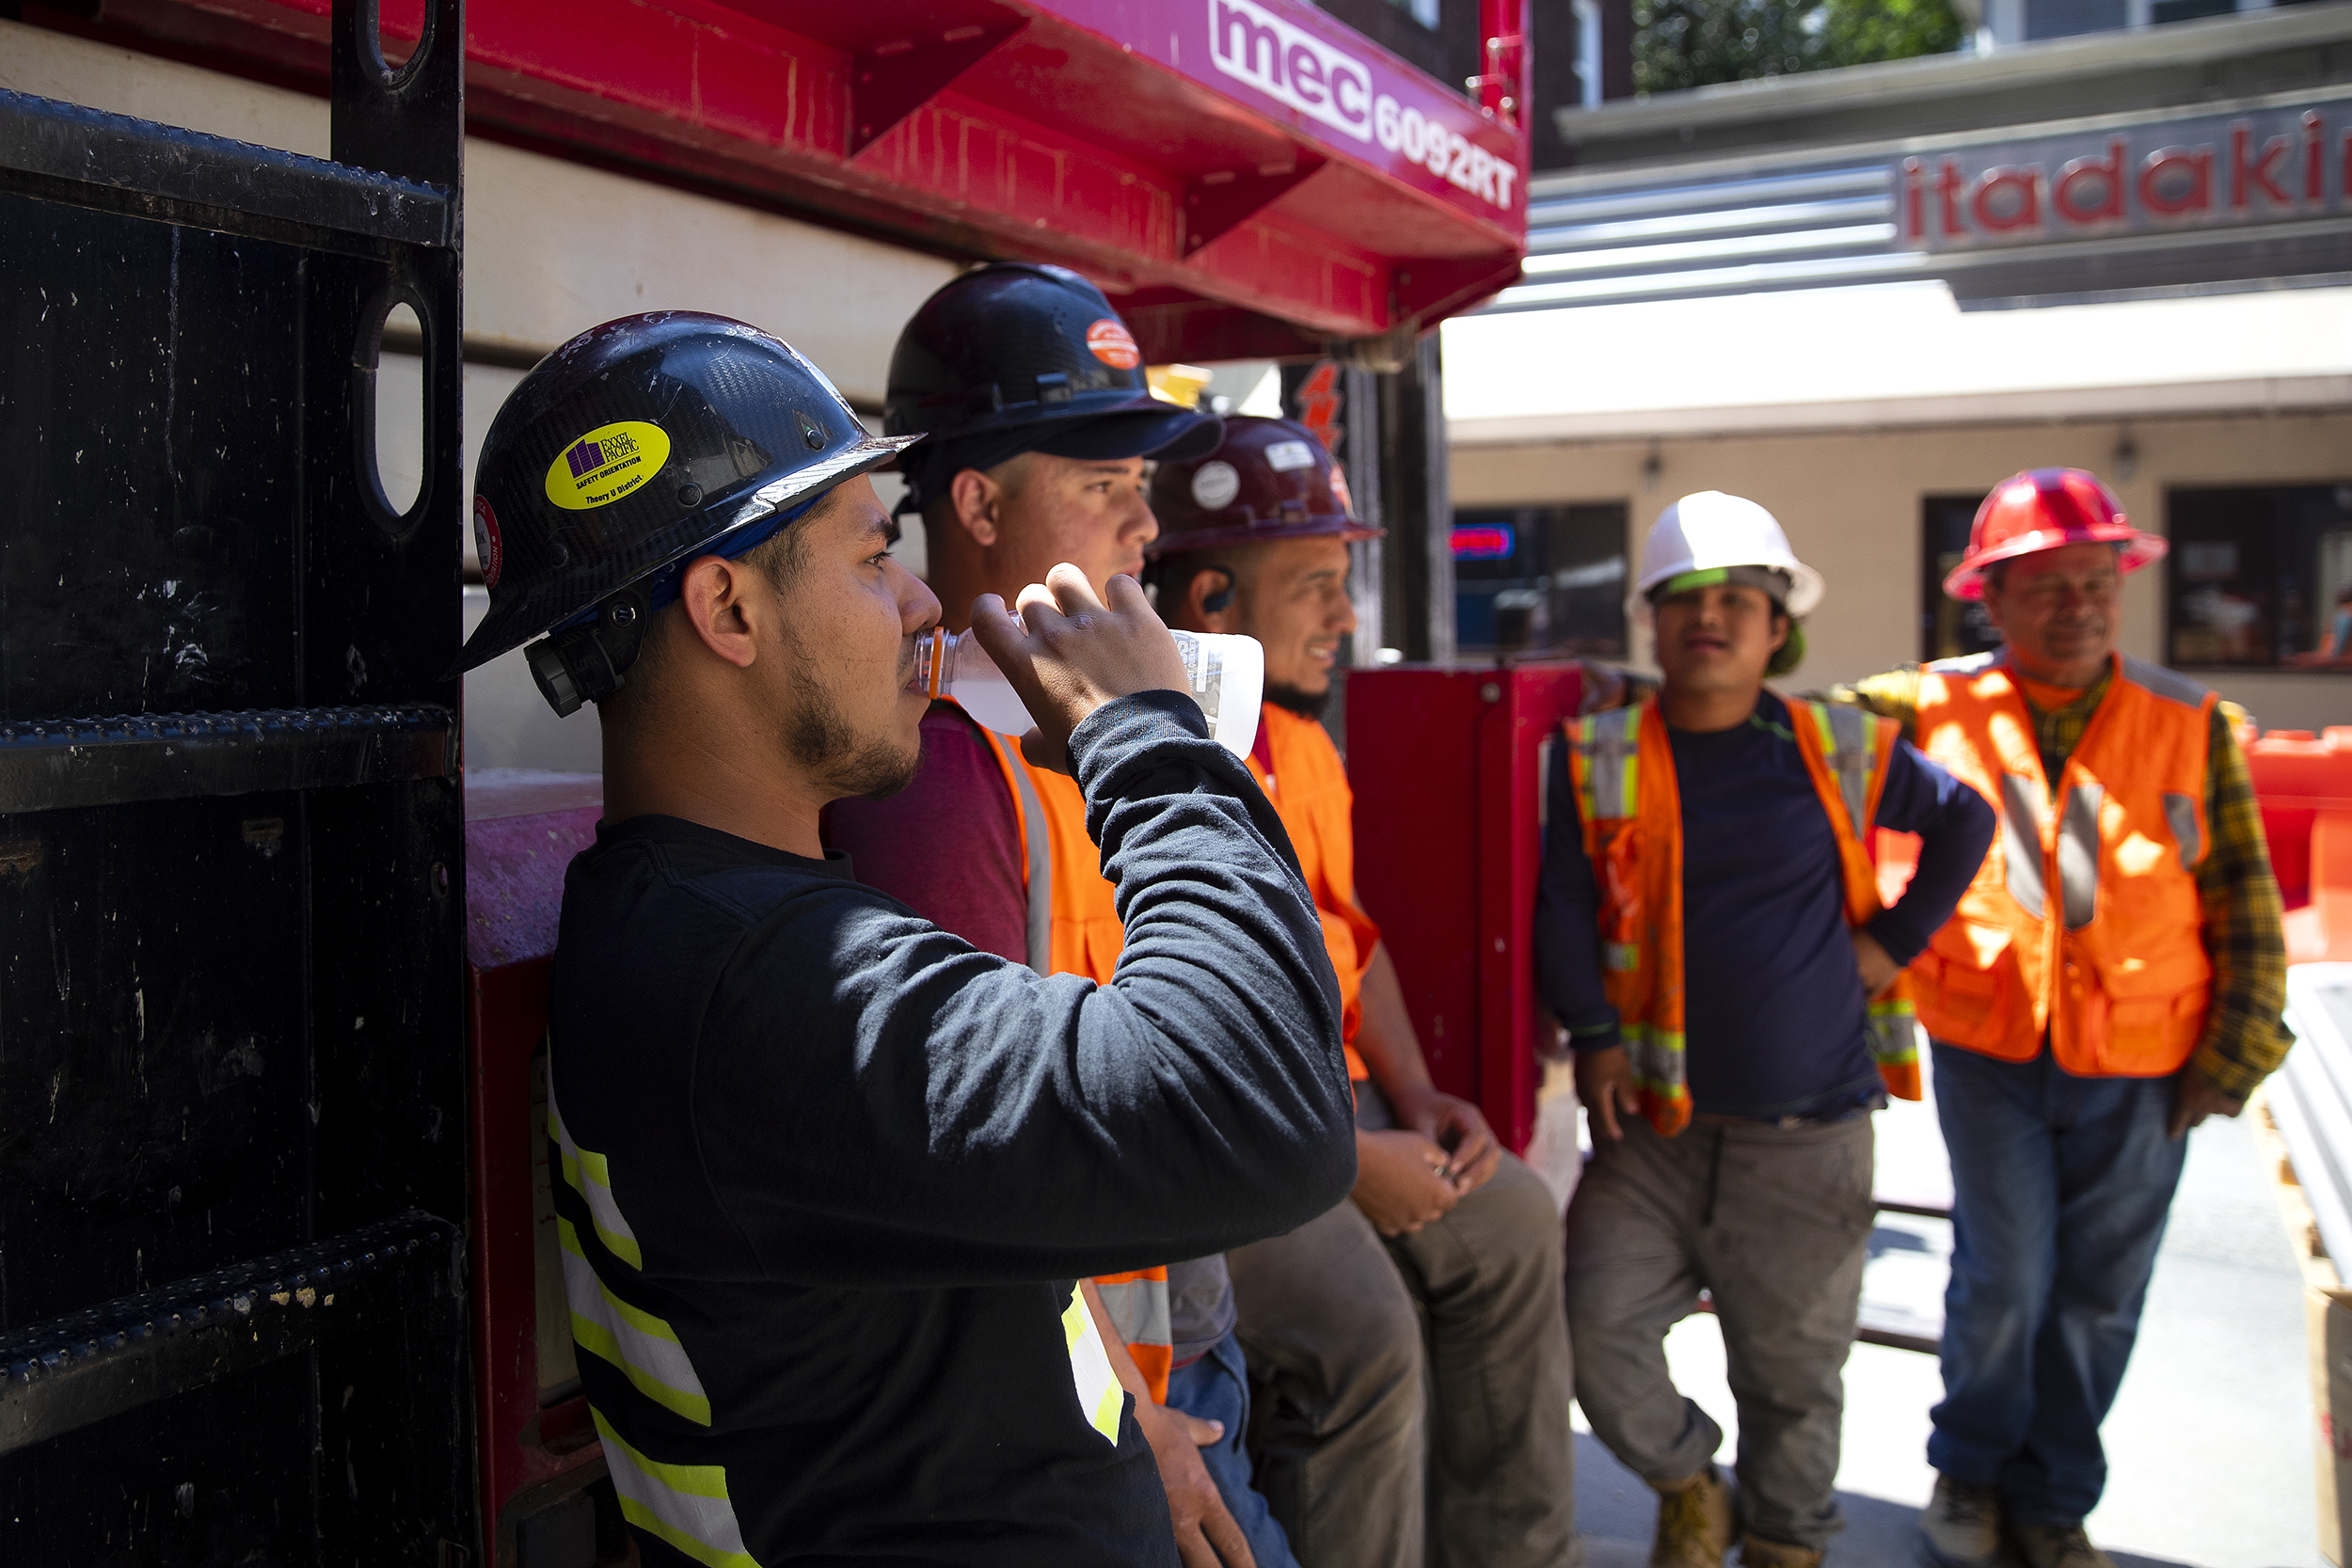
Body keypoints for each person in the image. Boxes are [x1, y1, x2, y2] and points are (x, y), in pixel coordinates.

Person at [452, 311, 1359, 1566]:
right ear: (727, 605)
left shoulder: (713, 925)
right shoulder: (758, 986)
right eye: (876, 556)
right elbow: (1256, 1108)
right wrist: (1149, 737)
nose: (925, 596)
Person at [825, 263, 1299, 1567]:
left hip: (1182, 1334)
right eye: (1104, 484)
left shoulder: (1087, 727)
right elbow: (980, 1181)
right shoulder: (936, 780)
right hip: (1111, 1404)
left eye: (1145, 487)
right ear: (973, 501)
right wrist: (1129, 1416)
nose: (1146, 524)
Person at [1825, 469, 2295, 1568]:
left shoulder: (2190, 723)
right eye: (2046, 586)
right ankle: (1972, 1470)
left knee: (2097, 1299)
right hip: (1991, 1046)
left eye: (2096, 581)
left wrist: (2230, 1059)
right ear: (1988, 598)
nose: (2078, 604)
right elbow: (1788, 725)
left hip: (2146, 1055)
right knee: (2003, 1279)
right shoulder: (1930, 706)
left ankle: (2053, 1498)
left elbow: (2246, 902)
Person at [1143, 417, 1581, 1568]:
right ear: (1212, 596)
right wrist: (1344, 1151)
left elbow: (1354, 945)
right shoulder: (1143, 755)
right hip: (1227, 1151)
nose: (1346, 619)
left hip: (1336, 1112)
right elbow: (1175, 1028)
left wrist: (1424, 1096)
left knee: (1517, 1218)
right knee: (1364, 1331)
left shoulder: (1304, 744)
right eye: (1320, 586)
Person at [1536, 492, 1995, 1568]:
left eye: (1738, 599)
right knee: (1589, 1326)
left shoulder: (1837, 742)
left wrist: (1895, 938)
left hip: (1809, 1133)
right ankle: (1691, 1481)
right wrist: (1596, 1032)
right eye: (1685, 599)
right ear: (1650, 620)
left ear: (1777, 625)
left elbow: (1964, 819)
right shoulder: (1593, 752)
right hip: (1654, 1131)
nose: (1711, 619)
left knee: (1792, 1378)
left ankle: (1787, 1542)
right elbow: (1561, 901)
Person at [2286, 583, 2352, 666]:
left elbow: (2340, 645)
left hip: (2335, 661)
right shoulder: (2346, 613)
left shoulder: (2344, 615)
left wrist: (2334, 658)